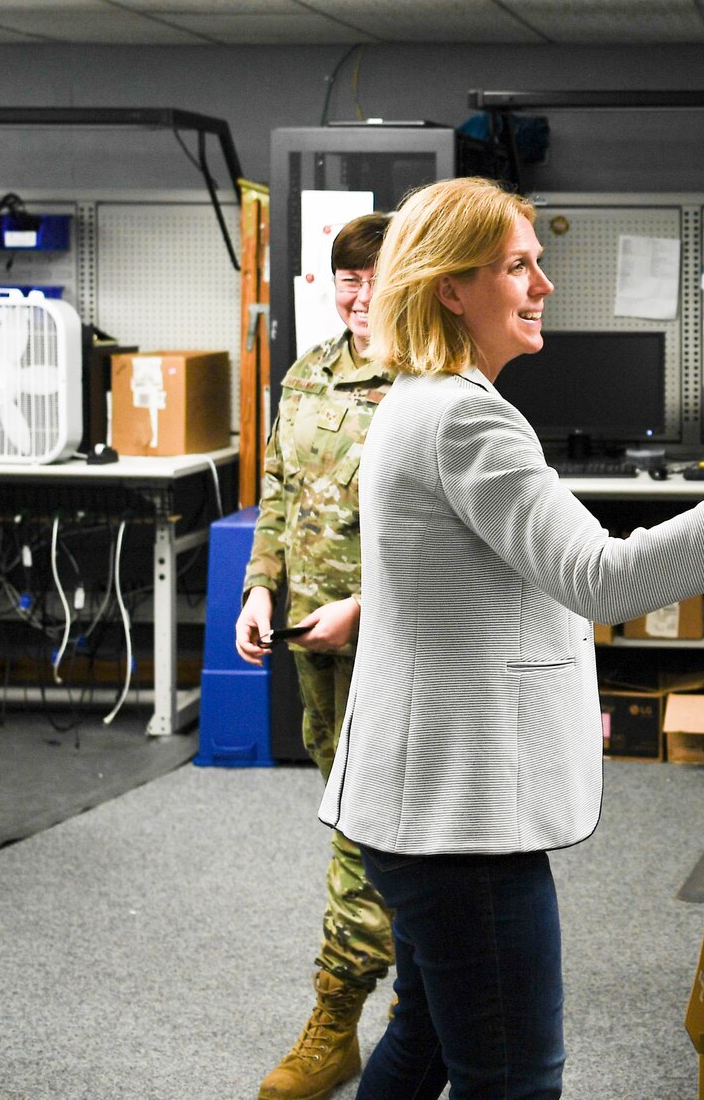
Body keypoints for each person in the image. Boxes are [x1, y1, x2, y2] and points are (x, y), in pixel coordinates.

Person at [319, 176, 704, 1098]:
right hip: (460, 821)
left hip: (419, 802)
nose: (543, 284)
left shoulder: (417, 398)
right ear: (451, 286)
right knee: (515, 1077)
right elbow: (606, 577)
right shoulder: (469, 417)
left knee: (428, 1040)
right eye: (518, 265)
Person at [236, 211, 397, 1100]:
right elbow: (277, 492)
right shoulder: (305, 375)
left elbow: (454, 546)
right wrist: (262, 587)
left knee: (375, 826)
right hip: (316, 643)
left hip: (400, 646)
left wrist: (368, 613)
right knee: (350, 812)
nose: (362, 295)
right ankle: (405, 1008)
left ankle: (342, 1015)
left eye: (378, 277)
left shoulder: (431, 384)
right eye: (347, 278)